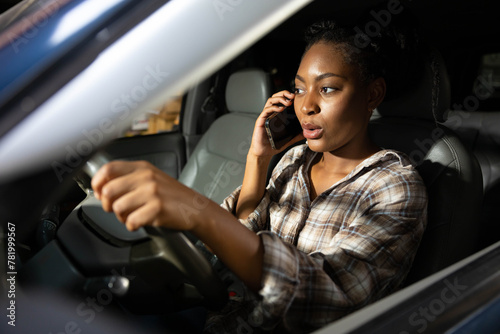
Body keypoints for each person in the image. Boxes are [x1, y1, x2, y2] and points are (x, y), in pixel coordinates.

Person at [92, 14, 428, 334]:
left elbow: (328, 298)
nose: (306, 105)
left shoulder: (394, 186)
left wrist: (199, 213)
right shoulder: (296, 159)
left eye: (327, 89)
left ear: (373, 94)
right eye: (299, 89)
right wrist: (258, 159)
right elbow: (242, 232)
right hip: (224, 316)